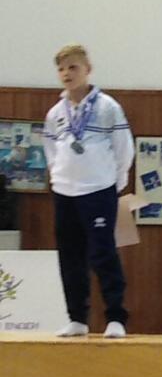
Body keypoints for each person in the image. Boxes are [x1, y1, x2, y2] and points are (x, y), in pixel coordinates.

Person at [43, 44, 134, 338]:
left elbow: (124, 149)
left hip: (98, 190)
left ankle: (116, 317)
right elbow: (51, 151)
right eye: (61, 69)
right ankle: (77, 318)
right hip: (65, 192)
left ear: (88, 70)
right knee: (70, 256)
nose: (66, 74)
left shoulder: (108, 107)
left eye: (73, 67)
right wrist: (59, 178)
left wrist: (114, 182)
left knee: (102, 254)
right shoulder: (55, 113)